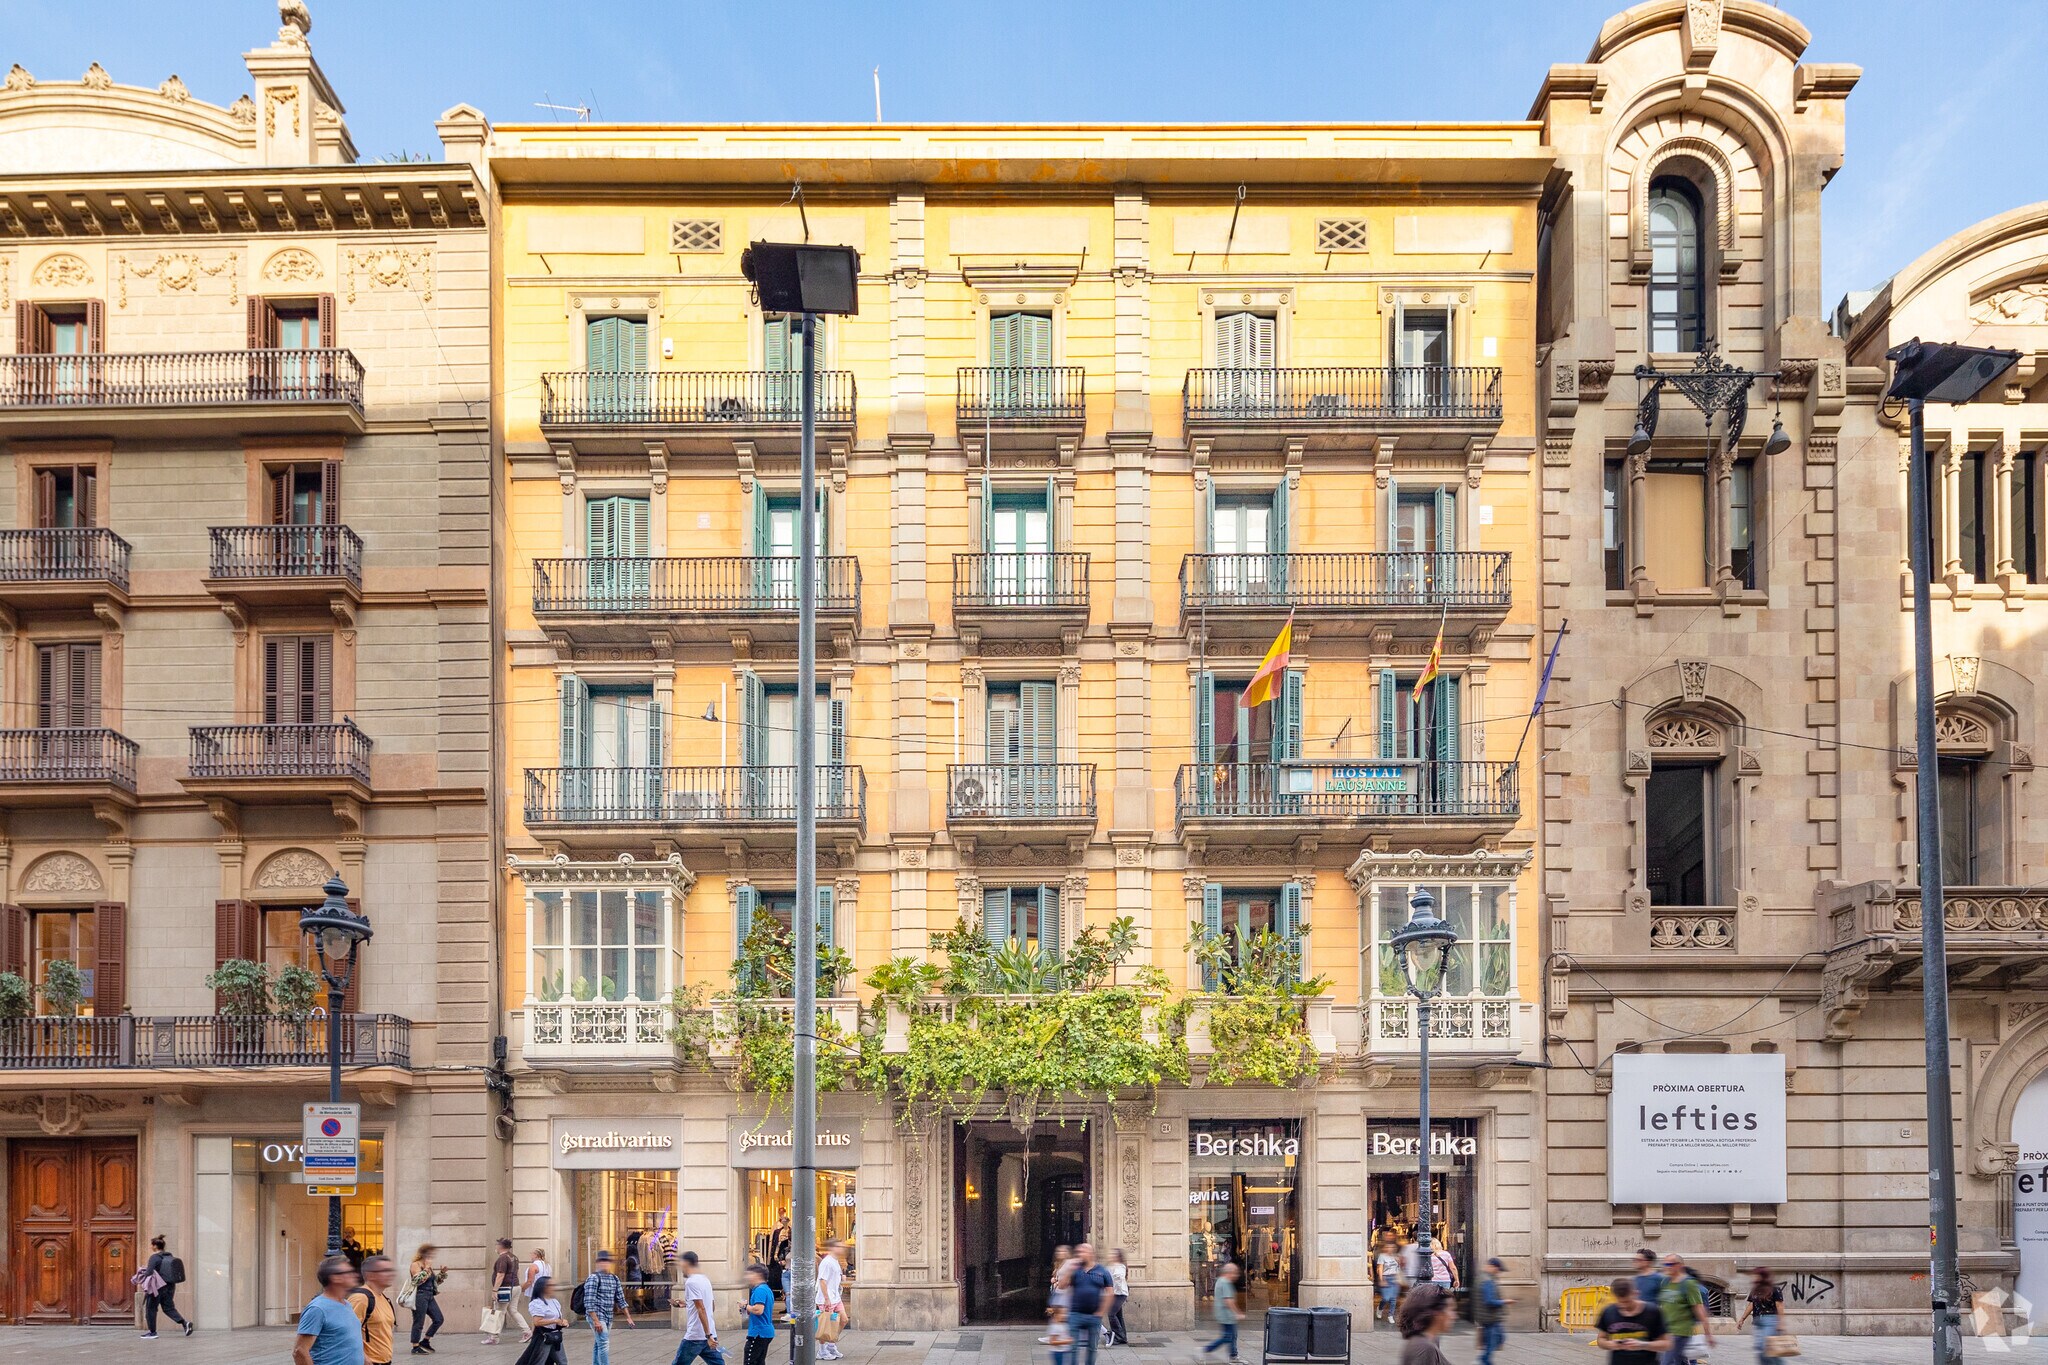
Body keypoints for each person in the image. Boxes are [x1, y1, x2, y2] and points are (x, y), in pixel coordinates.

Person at [294, 1256, 367, 1365]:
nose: (355, 1275)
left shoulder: (346, 1304)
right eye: (349, 1272)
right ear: (335, 1278)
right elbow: (300, 1351)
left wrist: (363, 1357)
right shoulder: (317, 1309)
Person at [1595, 1275, 1671, 1365]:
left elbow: (1667, 1343)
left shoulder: (1652, 1311)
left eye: (1627, 1301)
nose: (1624, 1306)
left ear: (1636, 1294)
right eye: (1620, 1302)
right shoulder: (1609, 1312)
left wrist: (1642, 1345)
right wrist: (1611, 1344)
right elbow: (1601, 1340)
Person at [1655, 1255, 1713, 1365]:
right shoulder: (1665, 1282)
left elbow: (1699, 1309)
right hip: (1667, 1330)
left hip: (1681, 1332)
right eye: (1665, 1264)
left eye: (1670, 1264)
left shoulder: (1689, 1284)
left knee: (1666, 1362)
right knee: (1680, 1362)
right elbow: (1663, 1306)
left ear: (1680, 1266)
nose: (1666, 1267)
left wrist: (1708, 1334)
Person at [672, 1250, 725, 1365]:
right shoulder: (705, 1279)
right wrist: (687, 1304)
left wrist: (708, 1335)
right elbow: (711, 1306)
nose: (680, 1268)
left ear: (686, 1263)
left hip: (696, 1336)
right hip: (709, 1334)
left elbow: (701, 1309)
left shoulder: (691, 1282)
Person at [582, 1248, 634, 1365]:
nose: (604, 1264)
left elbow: (621, 1299)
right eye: (602, 1261)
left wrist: (628, 1317)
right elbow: (589, 1302)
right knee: (604, 1343)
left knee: (599, 1343)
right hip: (597, 1316)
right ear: (598, 1263)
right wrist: (596, 1321)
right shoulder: (593, 1278)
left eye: (607, 1261)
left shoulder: (614, 1278)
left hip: (608, 1316)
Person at [1066, 1243, 1115, 1365]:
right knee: (1073, 1348)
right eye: (1079, 1252)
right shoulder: (1075, 1270)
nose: (1080, 1254)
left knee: (1092, 1348)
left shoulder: (1103, 1271)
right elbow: (1063, 1286)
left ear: (1091, 1254)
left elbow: (1110, 1293)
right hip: (1075, 1314)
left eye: (1083, 1251)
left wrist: (1101, 1312)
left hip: (1094, 1316)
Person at [139, 1234, 192, 1339]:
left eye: (151, 1245)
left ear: (154, 1246)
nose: (151, 1247)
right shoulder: (169, 1256)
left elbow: (149, 1272)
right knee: (168, 1308)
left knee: (151, 1308)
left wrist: (142, 1275)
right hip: (170, 1286)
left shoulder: (154, 1257)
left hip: (157, 1287)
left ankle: (152, 1332)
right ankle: (185, 1323)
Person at [350, 1254, 401, 1365]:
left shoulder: (383, 1297)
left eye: (391, 1270)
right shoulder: (360, 1298)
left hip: (385, 1361)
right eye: (385, 1271)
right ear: (370, 1275)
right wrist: (363, 1357)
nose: (391, 1274)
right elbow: (345, 1333)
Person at [513, 1276, 568, 1365]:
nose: (553, 1288)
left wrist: (562, 1322)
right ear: (543, 1287)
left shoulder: (554, 1301)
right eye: (550, 1285)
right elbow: (537, 1322)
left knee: (562, 1361)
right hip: (543, 1336)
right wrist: (555, 1321)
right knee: (539, 1361)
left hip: (555, 1336)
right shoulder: (537, 1303)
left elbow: (557, 1318)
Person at [1735, 1266, 1785, 1363]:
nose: (1754, 1277)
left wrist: (1781, 1322)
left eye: (1756, 1275)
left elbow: (1779, 1306)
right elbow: (1751, 1304)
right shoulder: (1755, 1290)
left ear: (1763, 1276)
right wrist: (1742, 1318)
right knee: (1759, 1349)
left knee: (1765, 1347)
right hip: (1757, 1321)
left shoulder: (1774, 1289)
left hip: (1770, 1320)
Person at [408, 1244, 447, 1354]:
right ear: (423, 1253)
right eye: (429, 1253)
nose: (431, 1256)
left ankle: (425, 1341)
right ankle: (415, 1346)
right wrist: (426, 1268)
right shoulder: (415, 1265)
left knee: (438, 1319)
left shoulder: (428, 1265)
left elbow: (434, 1282)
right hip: (420, 1295)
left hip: (430, 1295)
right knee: (419, 1321)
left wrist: (442, 1273)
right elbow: (417, 1281)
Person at [487, 1238, 528, 1345]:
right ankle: (527, 1331)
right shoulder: (514, 1257)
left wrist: (495, 1289)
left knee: (499, 1312)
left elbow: (500, 1275)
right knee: (513, 1311)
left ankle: (494, 1337)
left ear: (501, 1246)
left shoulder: (502, 1258)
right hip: (515, 1287)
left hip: (505, 1288)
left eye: (497, 1245)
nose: (495, 1247)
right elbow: (517, 1273)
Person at [1201, 1261, 1243, 1361]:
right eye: (1235, 1272)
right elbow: (1229, 1300)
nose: (1236, 1275)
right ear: (1229, 1272)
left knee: (1232, 1335)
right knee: (1228, 1336)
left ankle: (1233, 1354)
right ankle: (1207, 1349)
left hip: (1223, 1314)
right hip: (1227, 1315)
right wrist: (1237, 1313)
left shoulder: (1220, 1281)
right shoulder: (1225, 1282)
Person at [815, 1241, 848, 1362]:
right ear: (833, 1248)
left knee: (843, 1320)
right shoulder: (827, 1262)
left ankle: (831, 1344)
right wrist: (826, 1298)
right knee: (825, 1324)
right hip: (826, 1299)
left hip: (835, 1297)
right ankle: (822, 1350)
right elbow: (822, 1280)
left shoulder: (835, 1261)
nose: (843, 1249)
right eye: (840, 1247)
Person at [1475, 1257, 1511, 1365]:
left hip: (1487, 1317)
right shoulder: (1488, 1281)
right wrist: (1505, 1302)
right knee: (1494, 1342)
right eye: (1498, 1269)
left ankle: (1484, 1359)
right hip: (1490, 1317)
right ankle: (1484, 1361)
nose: (1498, 1272)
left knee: (1497, 1339)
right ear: (1492, 1267)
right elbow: (1489, 1301)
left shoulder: (1482, 1277)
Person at [742, 1263, 776, 1365]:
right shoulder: (765, 1289)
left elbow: (758, 1310)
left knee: (750, 1361)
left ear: (757, 1275)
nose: (747, 1277)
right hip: (765, 1331)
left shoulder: (760, 1290)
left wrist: (745, 1306)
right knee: (759, 1361)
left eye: (749, 1274)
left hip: (758, 1332)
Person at [1374, 1234, 1405, 1327]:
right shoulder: (1382, 1256)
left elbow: (1401, 1268)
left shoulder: (1396, 1256)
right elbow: (1380, 1268)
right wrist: (1381, 1279)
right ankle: (1380, 1308)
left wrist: (1399, 1261)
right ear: (1386, 1248)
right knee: (1386, 1298)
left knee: (1393, 1299)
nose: (1391, 1249)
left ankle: (1390, 1315)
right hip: (1386, 1278)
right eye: (1389, 1247)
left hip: (1394, 1278)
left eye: (1392, 1247)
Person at [1104, 1248, 1130, 1347]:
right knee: (1118, 1315)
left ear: (1117, 1256)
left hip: (1120, 1293)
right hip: (1114, 1293)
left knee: (1111, 1314)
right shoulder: (1109, 1266)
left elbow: (1119, 1276)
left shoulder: (1120, 1266)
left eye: (1113, 1254)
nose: (1110, 1255)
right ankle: (1123, 1337)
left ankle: (1118, 1336)